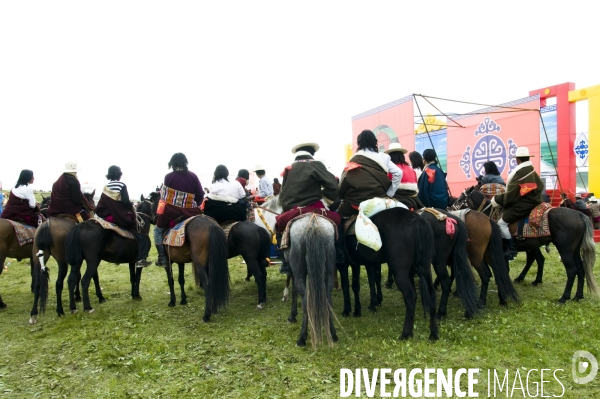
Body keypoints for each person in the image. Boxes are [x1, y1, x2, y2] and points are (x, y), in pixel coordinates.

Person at [276, 141, 339, 273]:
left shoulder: (289, 168)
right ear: (312, 153)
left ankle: (284, 261)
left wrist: (288, 207)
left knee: (279, 227)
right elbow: (332, 184)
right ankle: (340, 253)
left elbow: (283, 194)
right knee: (339, 222)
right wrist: (327, 197)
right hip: (315, 206)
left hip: (294, 209)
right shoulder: (315, 165)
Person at [491, 146, 544, 259]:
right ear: (527, 158)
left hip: (524, 205)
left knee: (501, 223)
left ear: (518, 160)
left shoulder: (520, 174)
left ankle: (512, 249)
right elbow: (531, 189)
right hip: (534, 201)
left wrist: (496, 199)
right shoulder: (531, 171)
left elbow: (512, 195)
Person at [154, 153, 204, 266]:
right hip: (191, 212)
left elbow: (165, 197)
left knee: (157, 230)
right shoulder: (193, 176)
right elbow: (200, 195)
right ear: (185, 162)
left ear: (172, 163)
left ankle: (162, 258)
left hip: (172, 212)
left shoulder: (168, 177)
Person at [337, 130, 402, 217]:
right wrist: (389, 193)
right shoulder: (384, 157)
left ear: (359, 143)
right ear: (374, 142)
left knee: (338, 215)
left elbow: (343, 182)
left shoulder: (354, 159)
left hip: (356, 203)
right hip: (379, 200)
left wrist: (341, 195)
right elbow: (398, 173)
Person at [384, 143, 424, 210]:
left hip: (398, 200)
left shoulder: (390, 170)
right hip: (414, 201)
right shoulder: (411, 170)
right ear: (402, 156)